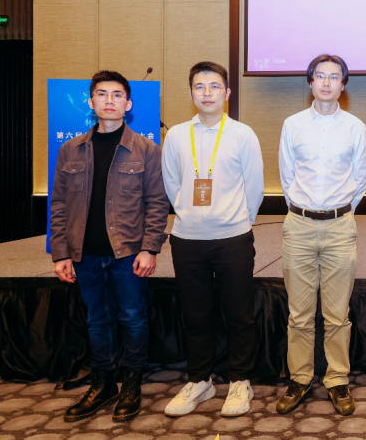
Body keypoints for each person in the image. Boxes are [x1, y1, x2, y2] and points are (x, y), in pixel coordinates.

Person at [50, 70, 168, 422]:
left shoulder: (147, 150)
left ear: (128, 104)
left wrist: (150, 248)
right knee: (97, 321)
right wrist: (60, 253)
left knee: (132, 318)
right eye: (102, 94)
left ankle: (131, 383)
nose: (110, 101)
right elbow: (59, 204)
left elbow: (157, 203)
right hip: (84, 253)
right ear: (91, 102)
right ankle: (102, 384)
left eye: (117, 95)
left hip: (128, 252)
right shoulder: (70, 149)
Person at [162, 61, 264, 417]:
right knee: (195, 314)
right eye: (200, 87)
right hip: (187, 238)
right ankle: (200, 380)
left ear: (227, 93)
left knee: (239, 314)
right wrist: (189, 213)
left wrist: (240, 220)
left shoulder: (242, 134)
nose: (207, 93)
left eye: (214, 86)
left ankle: (240, 380)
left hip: (233, 237)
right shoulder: (177, 135)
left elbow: (254, 185)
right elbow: (171, 182)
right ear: (191, 93)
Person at [275, 54, 366, 416]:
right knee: (299, 313)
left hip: (340, 227)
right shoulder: (293, 124)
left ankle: (337, 378)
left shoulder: (355, 127)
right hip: (298, 225)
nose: (327, 82)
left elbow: (360, 179)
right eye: (320, 76)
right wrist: (305, 210)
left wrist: (337, 211)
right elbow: (287, 176)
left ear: (343, 84)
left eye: (334, 77)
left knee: (337, 314)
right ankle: (299, 378)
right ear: (310, 82)